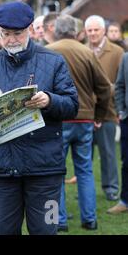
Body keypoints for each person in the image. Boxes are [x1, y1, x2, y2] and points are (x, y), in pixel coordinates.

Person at [0, 2, 78, 235]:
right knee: (6, 232)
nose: (11, 40)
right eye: (5, 34)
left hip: (45, 168)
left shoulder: (53, 60)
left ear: (30, 29)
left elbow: (72, 105)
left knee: (46, 231)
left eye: (17, 34)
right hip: (2, 168)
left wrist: (49, 101)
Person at [47, 15, 111, 231]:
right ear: (76, 32)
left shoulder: (49, 51)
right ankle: (89, 219)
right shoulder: (87, 53)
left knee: (55, 172)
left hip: (57, 119)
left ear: (56, 31)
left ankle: (58, 220)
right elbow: (104, 88)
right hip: (84, 119)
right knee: (85, 170)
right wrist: (99, 116)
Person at [86, 15, 124, 201]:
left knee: (108, 152)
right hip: (85, 112)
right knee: (85, 155)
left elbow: (121, 83)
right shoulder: (82, 50)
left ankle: (110, 187)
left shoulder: (117, 52)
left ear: (103, 31)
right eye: (89, 30)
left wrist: (106, 90)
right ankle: (86, 189)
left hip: (108, 111)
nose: (93, 33)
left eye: (96, 30)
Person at [111, 52, 128, 214]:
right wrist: (121, 111)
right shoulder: (126, 57)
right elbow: (120, 85)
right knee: (126, 161)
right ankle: (125, 201)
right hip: (127, 119)